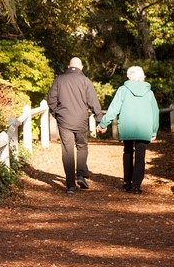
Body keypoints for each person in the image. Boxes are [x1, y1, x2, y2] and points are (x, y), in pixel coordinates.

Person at [96, 66, 159, 194]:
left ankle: (127, 182)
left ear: (129, 76)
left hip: (127, 126)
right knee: (140, 156)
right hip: (144, 127)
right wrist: (154, 131)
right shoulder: (149, 92)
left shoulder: (123, 90)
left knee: (128, 151)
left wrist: (103, 124)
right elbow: (155, 112)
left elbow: (114, 108)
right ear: (142, 76)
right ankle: (136, 185)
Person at [46, 57, 104, 195]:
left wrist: (57, 114)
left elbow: (51, 99)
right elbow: (93, 101)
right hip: (81, 120)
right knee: (82, 146)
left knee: (68, 150)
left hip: (64, 120)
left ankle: (70, 186)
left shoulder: (59, 80)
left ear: (68, 66)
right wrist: (100, 119)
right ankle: (81, 175)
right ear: (81, 67)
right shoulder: (85, 81)